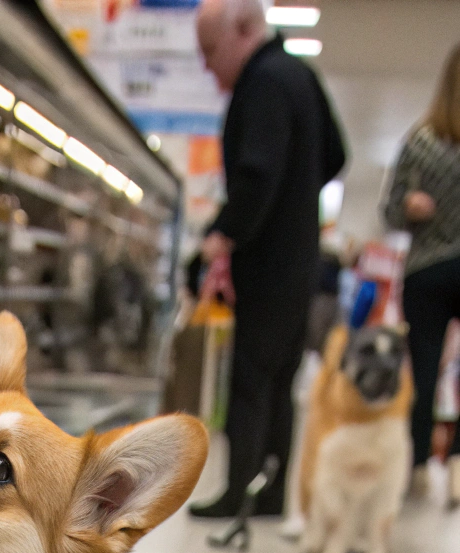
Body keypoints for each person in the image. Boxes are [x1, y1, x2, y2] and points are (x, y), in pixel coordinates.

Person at [190, 0, 347, 519]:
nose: (208, 67)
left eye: (211, 51)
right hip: (299, 254)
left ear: (242, 30)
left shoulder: (265, 82)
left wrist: (221, 235)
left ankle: (239, 493)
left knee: (252, 379)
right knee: (280, 377)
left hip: (270, 259)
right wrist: (298, 199)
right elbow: (337, 153)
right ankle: (270, 493)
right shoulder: (300, 74)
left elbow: (257, 174)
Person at [383, 43, 460, 505]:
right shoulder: (421, 140)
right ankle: (455, 465)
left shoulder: (419, 142)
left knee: (425, 372)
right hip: (433, 270)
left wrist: (410, 208)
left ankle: (413, 468)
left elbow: (390, 211)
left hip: (427, 269)